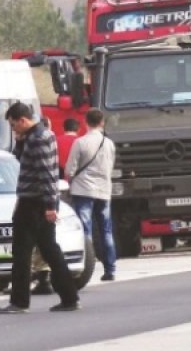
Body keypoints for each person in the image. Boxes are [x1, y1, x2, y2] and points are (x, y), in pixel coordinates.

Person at [0, 103, 80, 314]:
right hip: (36, 201)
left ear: (23, 120)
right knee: (49, 249)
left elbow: (46, 174)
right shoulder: (39, 135)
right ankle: (69, 297)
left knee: (22, 252)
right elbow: (20, 157)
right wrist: (20, 140)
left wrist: (50, 205)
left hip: (34, 202)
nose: (13, 130)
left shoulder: (38, 138)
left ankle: (20, 301)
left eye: (14, 125)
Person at [66, 109, 117, 281]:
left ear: (85, 121)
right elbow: (110, 166)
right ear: (102, 123)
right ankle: (110, 269)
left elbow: (70, 169)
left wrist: (71, 179)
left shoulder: (80, 142)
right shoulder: (109, 143)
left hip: (83, 190)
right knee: (106, 230)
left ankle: (87, 267)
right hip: (104, 190)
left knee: (85, 230)